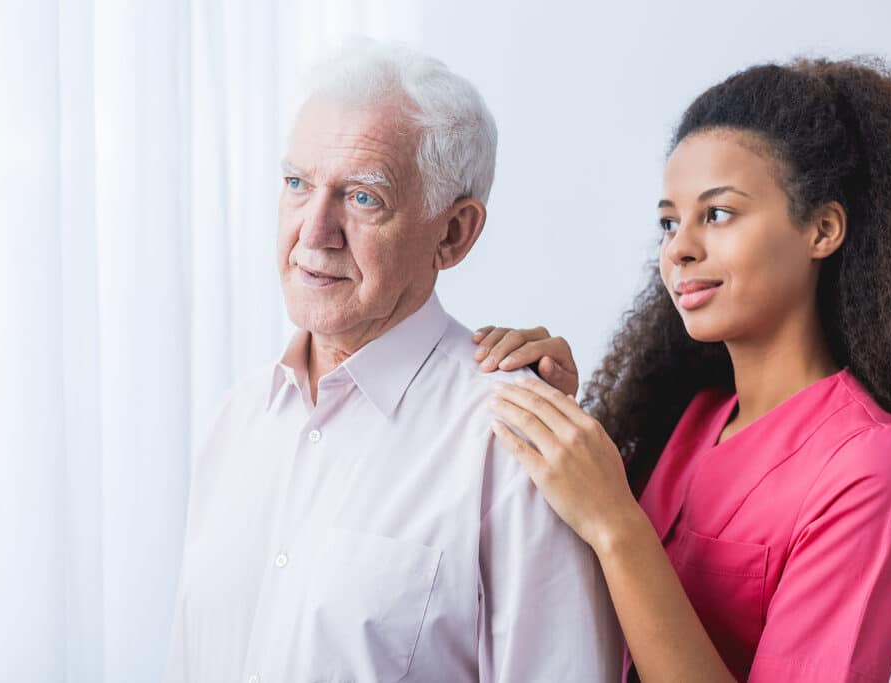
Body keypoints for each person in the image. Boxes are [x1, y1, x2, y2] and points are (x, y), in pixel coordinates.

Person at [477, 57, 891, 682]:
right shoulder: (688, 422)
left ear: (823, 229)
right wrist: (552, 421)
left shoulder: (873, 474)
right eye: (668, 221)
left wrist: (614, 520)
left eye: (719, 213)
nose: (678, 247)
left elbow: (621, 547)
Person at [162, 40, 620, 683]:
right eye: (297, 184)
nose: (314, 231)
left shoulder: (514, 438)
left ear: (454, 233)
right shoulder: (239, 417)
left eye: (362, 198)